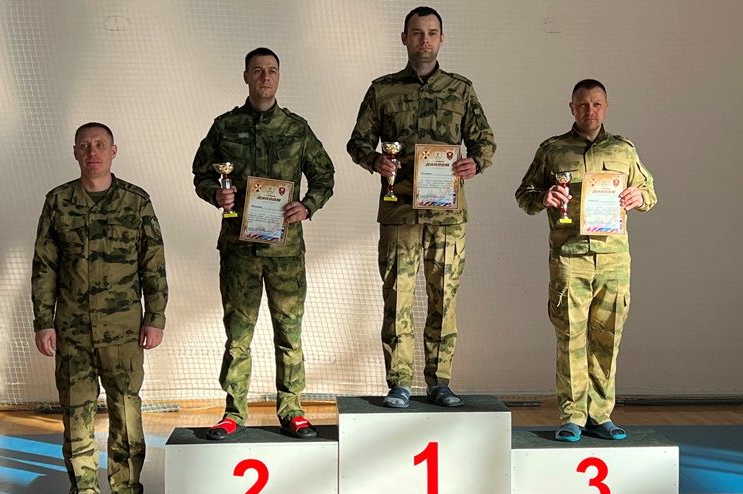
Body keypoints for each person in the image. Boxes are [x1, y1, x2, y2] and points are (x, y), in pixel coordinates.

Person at [346, 6, 496, 409]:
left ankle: (439, 382)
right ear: (404, 38)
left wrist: (475, 163)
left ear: (442, 38)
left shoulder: (460, 90)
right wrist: (375, 160)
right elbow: (357, 142)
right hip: (399, 213)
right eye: (416, 33)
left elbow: (484, 140)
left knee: (444, 299)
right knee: (397, 297)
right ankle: (398, 382)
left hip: (447, 216)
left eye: (431, 33)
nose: (424, 40)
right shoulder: (383, 90)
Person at [193, 47, 334, 440]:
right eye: (257, 70)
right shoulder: (225, 127)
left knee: (289, 333)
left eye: (272, 70)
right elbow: (201, 173)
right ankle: (233, 412)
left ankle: (292, 410)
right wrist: (215, 194)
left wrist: (307, 206)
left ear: (279, 76)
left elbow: (324, 175)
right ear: (246, 76)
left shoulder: (296, 129)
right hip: (239, 251)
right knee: (238, 336)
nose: (265, 77)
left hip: (285, 253)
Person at [31, 122, 167, 494]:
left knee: (127, 416)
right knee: (76, 417)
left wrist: (155, 317)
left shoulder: (136, 201)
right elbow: (44, 266)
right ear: (75, 152)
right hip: (72, 332)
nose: (93, 152)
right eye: (85, 146)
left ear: (114, 151)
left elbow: (153, 263)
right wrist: (43, 322)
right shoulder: (58, 202)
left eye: (100, 145)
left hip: (123, 332)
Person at [515, 79, 657, 442]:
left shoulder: (624, 149)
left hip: (613, 259)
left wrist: (638, 197)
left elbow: (649, 192)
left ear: (606, 107)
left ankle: (601, 414)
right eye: (582, 105)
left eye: (596, 104)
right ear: (571, 108)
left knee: (607, 338)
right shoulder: (552, 150)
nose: (589, 111)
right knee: (571, 338)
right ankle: (573, 416)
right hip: (570, 258)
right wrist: (544, 196)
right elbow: (524, 195)